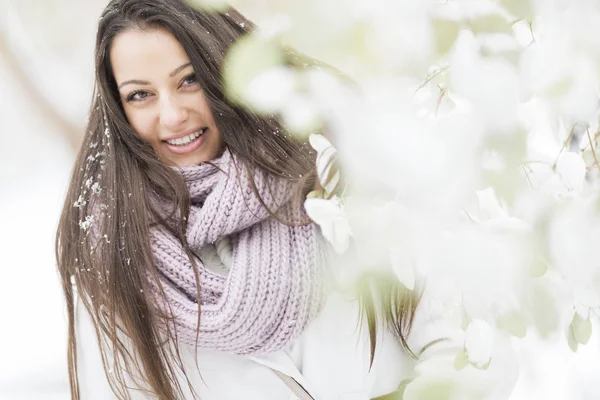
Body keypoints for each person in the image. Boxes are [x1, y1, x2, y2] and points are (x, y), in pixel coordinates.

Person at [55, 0, 466, 399]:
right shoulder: (115, 257)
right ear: (118, 109)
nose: (173, 115)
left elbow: (461, 341)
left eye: (189, 79)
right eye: (140, 95)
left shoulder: (336, 169)